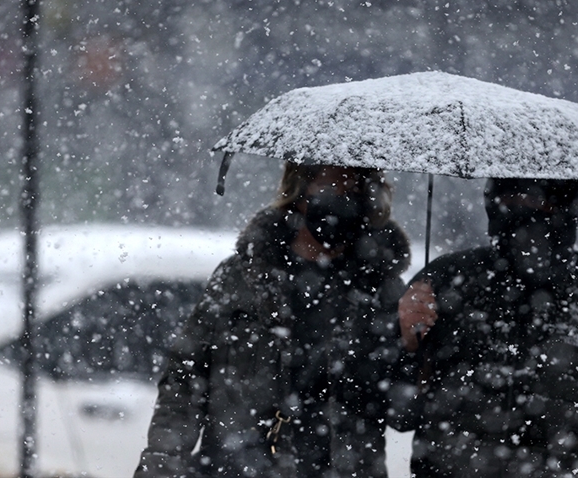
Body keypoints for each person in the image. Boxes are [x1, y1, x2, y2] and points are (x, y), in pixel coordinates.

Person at [134, 162, 411, 478]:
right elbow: (186, 379)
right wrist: (161, 465)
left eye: (356, 190)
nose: (344, 200)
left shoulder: (382, 291)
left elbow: (405, 412)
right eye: (334, 187)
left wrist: (412, 345)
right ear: (299, 190)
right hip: (235, 467)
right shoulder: (243, 278)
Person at [388, 178, 578, 478]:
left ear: (565, 207)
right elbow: (400, 414)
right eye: (511, 200)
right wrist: (407, 343)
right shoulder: (445, 283)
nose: (524, 213)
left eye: (539, 202)